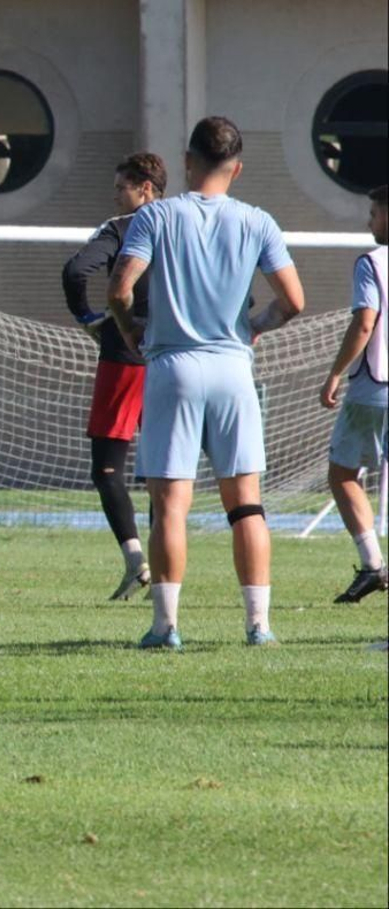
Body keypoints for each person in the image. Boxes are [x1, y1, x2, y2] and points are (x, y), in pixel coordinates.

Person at [108, 116, 306, 649]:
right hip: (232, 368)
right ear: (236, 169)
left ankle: (166, 626)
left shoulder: (156, 216)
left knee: (171, 505)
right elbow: (294, 301)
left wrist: (132, 332)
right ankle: (258, 625)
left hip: (173, 366)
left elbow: (120, 287)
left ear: (190, 161)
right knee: (246, 504)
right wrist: (256, 327)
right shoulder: (257, 221)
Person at [61, 153, 167, 600]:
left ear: (145, 188)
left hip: (125, 355)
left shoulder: (121, 228)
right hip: (175, 359)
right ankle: (167, 572)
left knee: (107, 469)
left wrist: (89, 317)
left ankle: (136, 562)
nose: (116, 195)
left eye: (122, 186)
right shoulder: (184, 224)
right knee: (167, 470)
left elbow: (75, 270)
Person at [318, 184, 388, 603]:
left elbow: (365, 322)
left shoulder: (373, 263)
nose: (369, 221)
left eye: (376, 212)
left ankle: (372, 564)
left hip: (374, 389)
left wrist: (334, 373)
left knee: (342, 473)